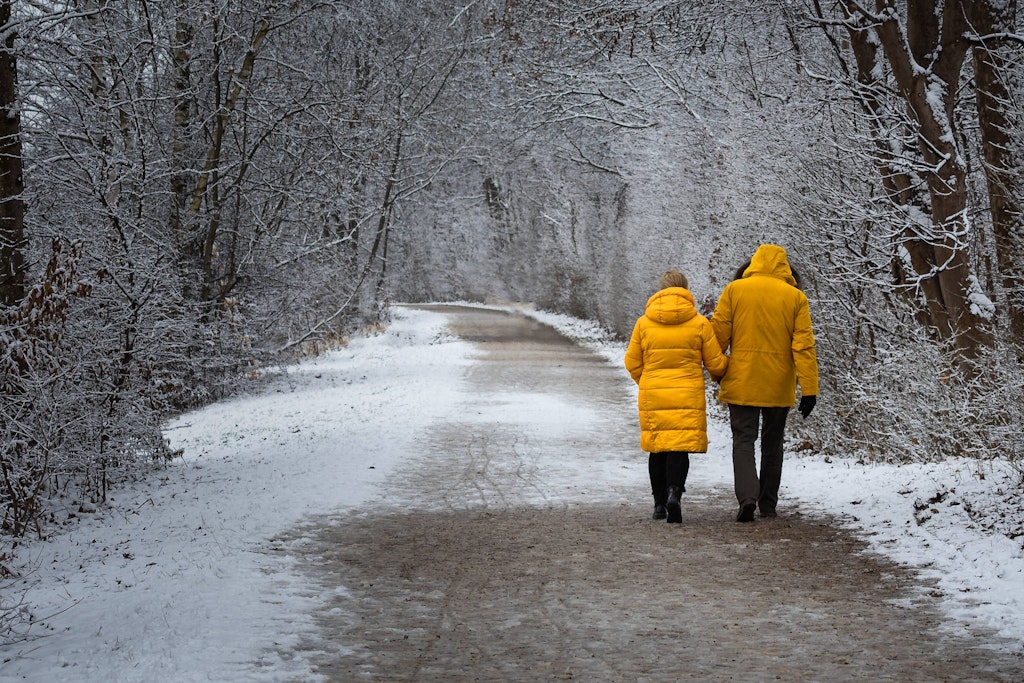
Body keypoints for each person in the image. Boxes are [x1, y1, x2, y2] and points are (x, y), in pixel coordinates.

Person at [710, 244, 818, 523]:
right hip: (778, 384)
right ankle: (768, 504)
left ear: (753, 264)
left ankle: (747, 496)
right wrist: (810, 390)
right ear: (785, 268)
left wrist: (717, 372)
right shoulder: (796, 297)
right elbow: (804, 347)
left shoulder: (734, 290)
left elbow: (717, 337)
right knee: (773, 443)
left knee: (743, 441)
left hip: (742, 379)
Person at [625, 269, 728, 523]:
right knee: (679, 446)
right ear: (685, 290)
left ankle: (659, 505)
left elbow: (631, 362)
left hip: (654, 393)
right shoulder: (700, 323)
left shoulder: (644, 323)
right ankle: (674, 493)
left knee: (657, 447)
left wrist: (646, 381)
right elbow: (716, 364)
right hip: (687, 394)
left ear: (661, 290)